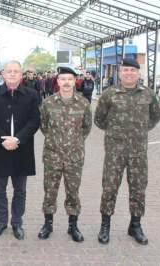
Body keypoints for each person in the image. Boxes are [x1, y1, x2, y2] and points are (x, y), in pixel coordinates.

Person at [94, 58, 160, 245]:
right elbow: (99, 119)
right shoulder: (109, 94)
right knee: (109, 187)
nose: (129, 73)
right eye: (126, 70)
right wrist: (116, 133)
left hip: (138, 151)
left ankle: (135, 225)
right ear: (120, 73)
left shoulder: (148, 94)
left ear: (138, 74)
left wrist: (140, 131)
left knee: (138, 188)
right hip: (114, 151)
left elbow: (156, 115)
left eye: (133, 70)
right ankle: (105, 225)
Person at [0, 60, 40, 240]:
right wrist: (4, 139)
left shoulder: (31, 94)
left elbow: (34, 120)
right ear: (3, 74)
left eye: (16, 71)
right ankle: (1, 221)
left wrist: (18, 139)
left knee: (20, 189)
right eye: (9, 71)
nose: (13, 74)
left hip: (22, 149)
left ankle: (17, 222)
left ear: (21, 74)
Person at [38, 67, 92, 242]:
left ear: (75, 81)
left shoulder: (83, 103)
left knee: (73, 192)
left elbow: (86, 128)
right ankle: (48, 224)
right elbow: (44, 127)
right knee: (49, 192)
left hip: (74, 157)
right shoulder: (48, 103)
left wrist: (73, 144)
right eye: (63, 79)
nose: (66, 82)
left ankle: (73, 226)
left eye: (70, 79)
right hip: (52, 156)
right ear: (58, 81)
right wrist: (57, 142)